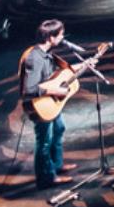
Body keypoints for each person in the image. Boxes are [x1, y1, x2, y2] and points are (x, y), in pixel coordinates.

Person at [18, 19, 79, 188]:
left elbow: (52, 77)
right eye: (60, 35)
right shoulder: (34, 58)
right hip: (40, 106)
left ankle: (57, 165)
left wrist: (84, 65)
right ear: (51, 37)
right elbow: (28, 89)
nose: (62, 38)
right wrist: (55, 91)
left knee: (59, 128)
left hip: (50, 103)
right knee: (44, 142)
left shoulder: (46, 54)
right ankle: (46, 178)